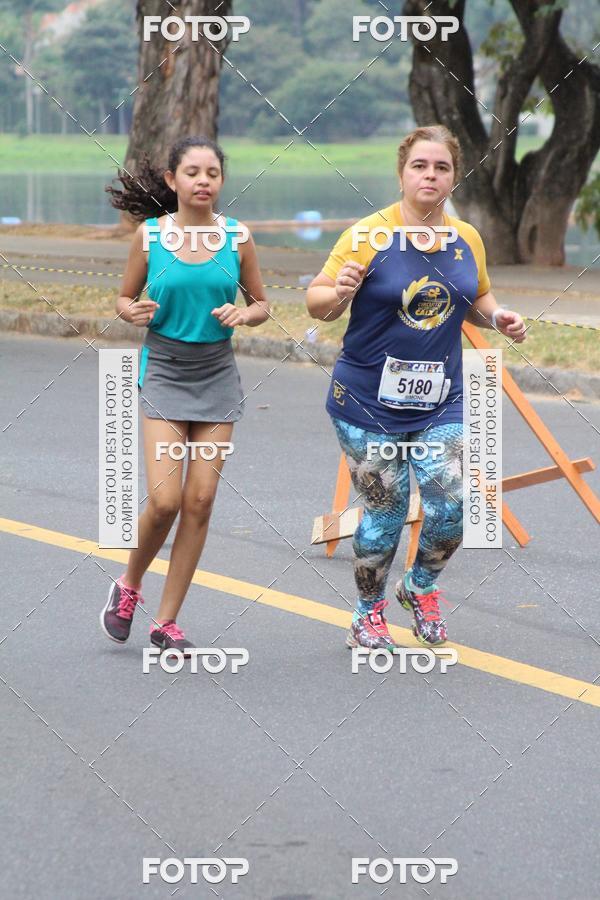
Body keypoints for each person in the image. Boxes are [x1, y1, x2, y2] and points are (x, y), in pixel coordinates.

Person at [306, 124, 526, 651]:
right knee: (386, 511)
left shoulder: (465, 236)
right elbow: (317, 304)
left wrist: (499, 317)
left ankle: (419, 588)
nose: (430, 175)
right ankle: (367, 611)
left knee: (452, 509)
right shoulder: (367, 235)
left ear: (454, 175)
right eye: (420, 166)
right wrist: (337, 290)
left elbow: (476, 295)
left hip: (440, 400)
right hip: (365, 402)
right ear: (402, 173)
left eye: (442, 167)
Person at [100, 135, 269, 653]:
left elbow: (263, 303)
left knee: (200, 499)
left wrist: (245, 314)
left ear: (221, 182)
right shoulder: (150, 238)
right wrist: (129, 311)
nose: (203, 181)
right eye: (192, 172)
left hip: (216, 373)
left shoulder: (238, 238)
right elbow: (124, 298)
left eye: (212, 173)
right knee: (166, 498)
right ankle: (128, 585)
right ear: (172, 180)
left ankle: (166, 621)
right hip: (166, 371)